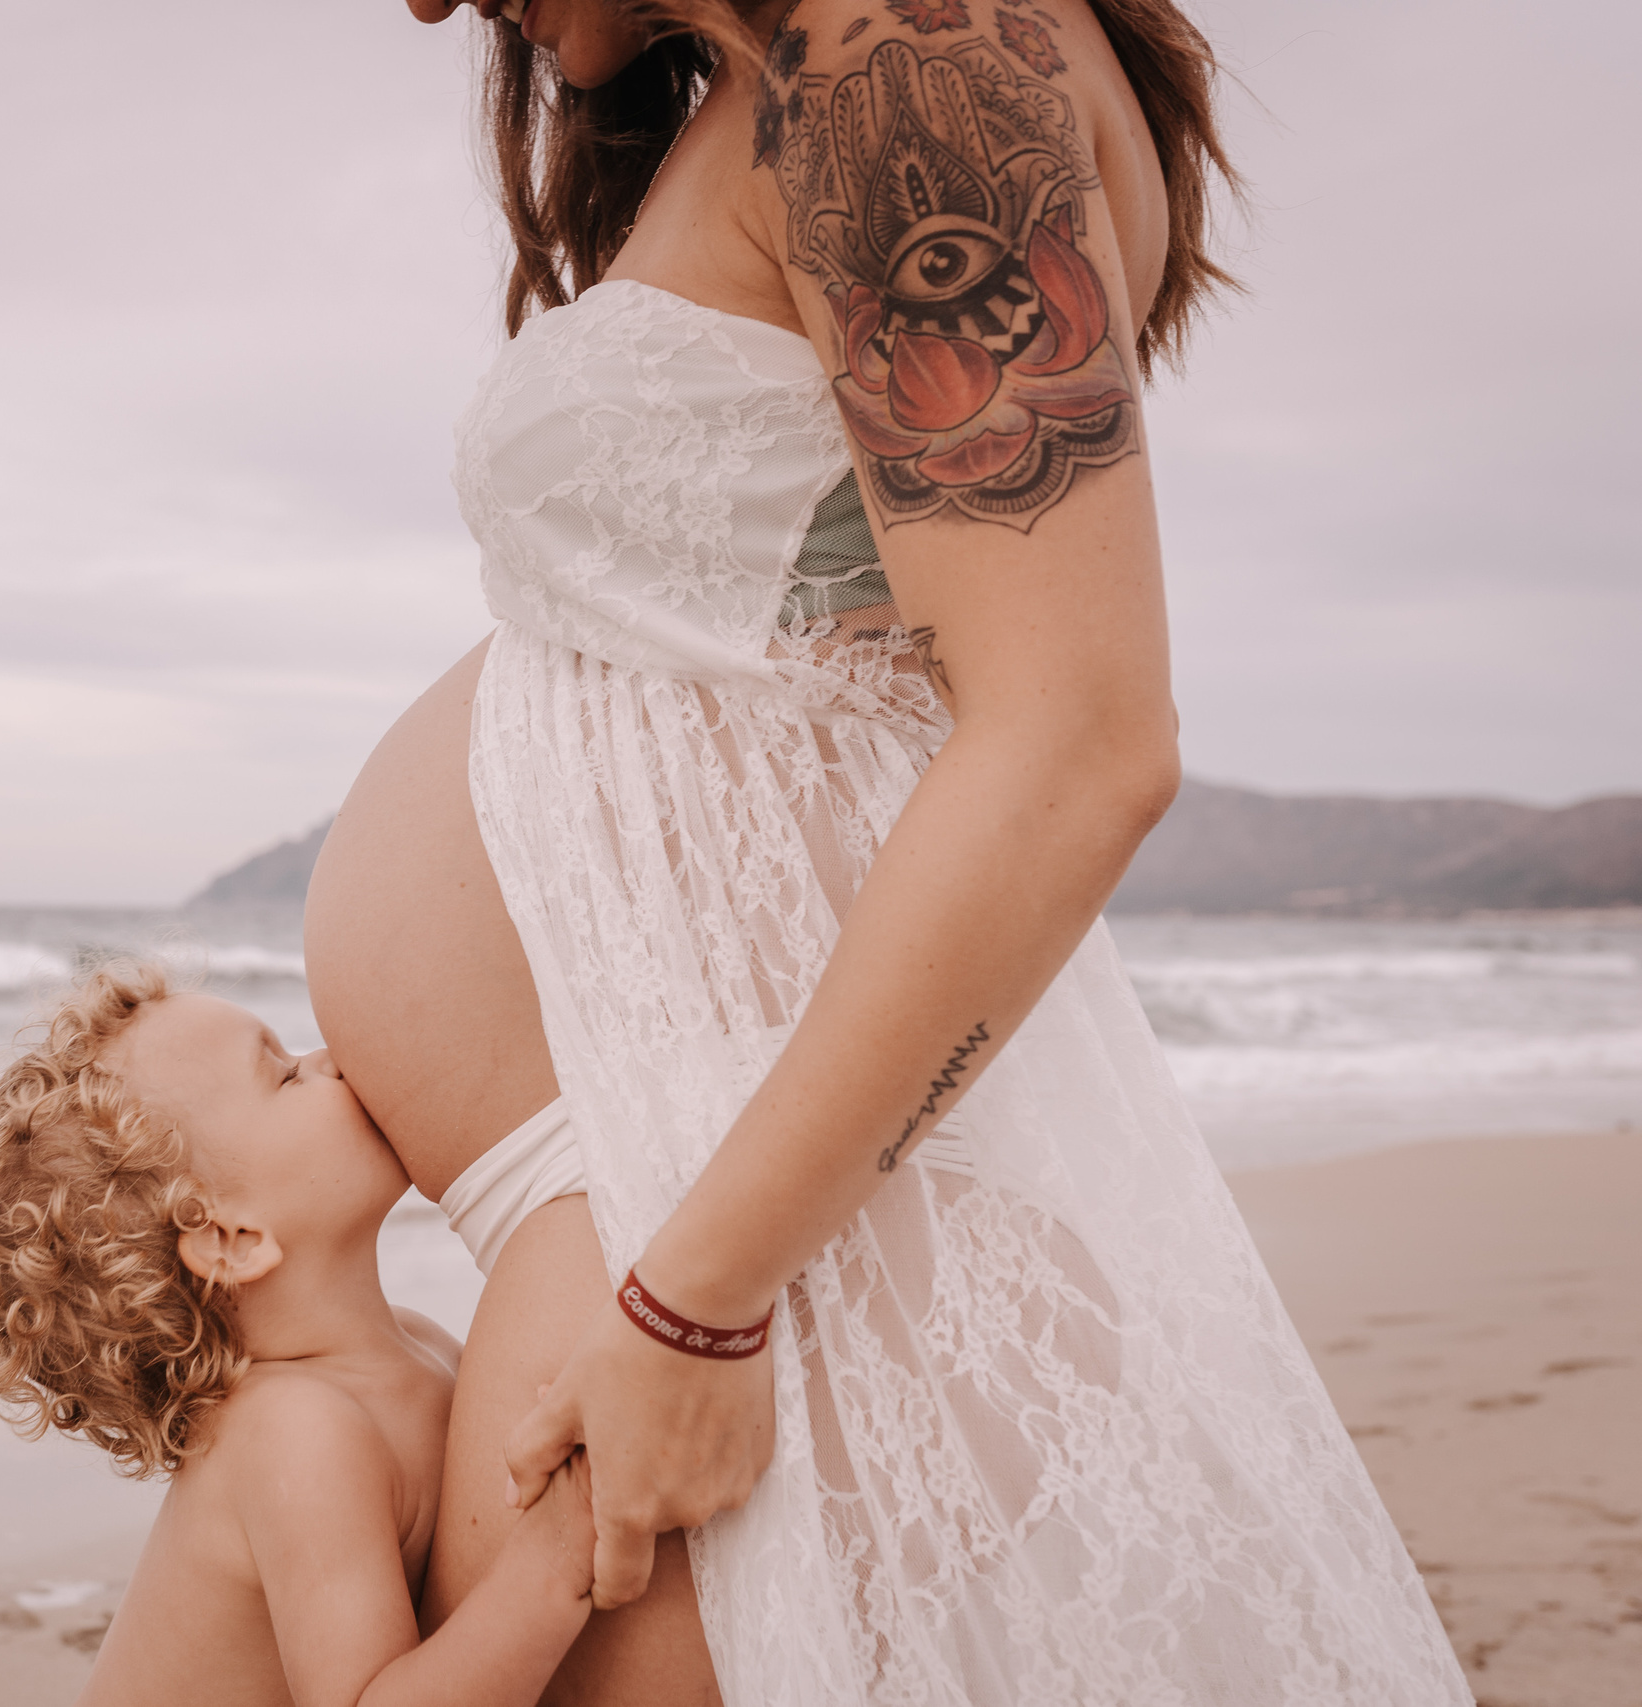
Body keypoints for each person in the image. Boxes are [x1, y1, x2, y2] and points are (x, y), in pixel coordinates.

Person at [304, 0, 1476, 1700]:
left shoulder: (907, 66)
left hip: (719, 1229)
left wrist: (693, 1304)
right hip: (682, 1179)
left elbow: (1079, 746)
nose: (421, 4)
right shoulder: (827, 78)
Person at [0, 961, 599, 1707]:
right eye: (286, 1075)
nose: (332, 1061)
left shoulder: (415, 1346)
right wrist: (550, 1567)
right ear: (234, 1237)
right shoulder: (297, 1432)